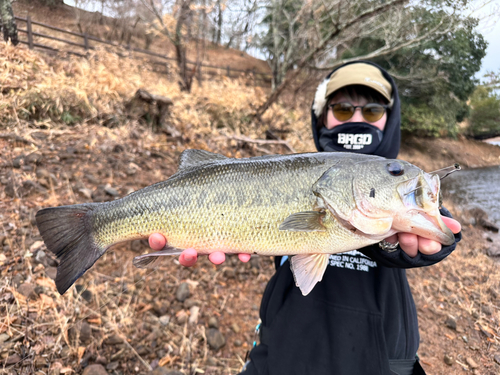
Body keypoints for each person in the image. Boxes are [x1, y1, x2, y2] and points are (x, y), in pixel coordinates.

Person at [148, 61, 462, 375]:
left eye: (371, 111)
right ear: (322, 116)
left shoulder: (384, 198)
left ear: (389, 119)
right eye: (341, 109)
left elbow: (429, 229)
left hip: (381, 361)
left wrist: (405, 243)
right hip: (283, 354)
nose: (356, 118)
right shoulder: (299, 171)